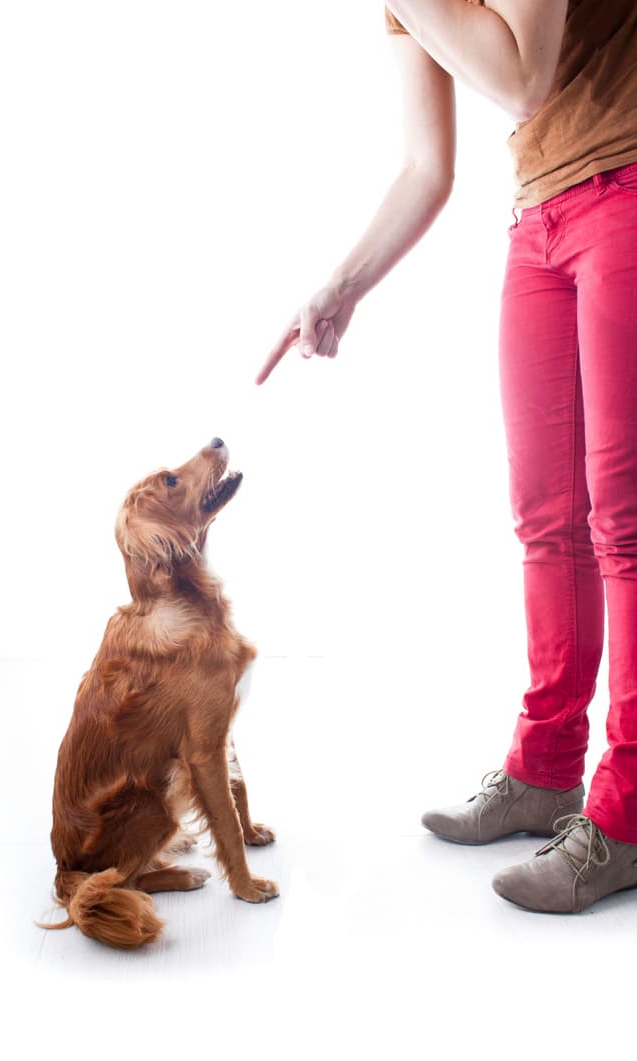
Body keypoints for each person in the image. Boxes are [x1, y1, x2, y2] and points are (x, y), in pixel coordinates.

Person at [257, 0, 637, 914]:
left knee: (622, 523)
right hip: (539, 221)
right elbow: (427, 166)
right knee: (546, 521)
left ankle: (624, 814)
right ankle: (546, 766)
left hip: (625, 191)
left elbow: (521, 78)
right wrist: (343, 286)